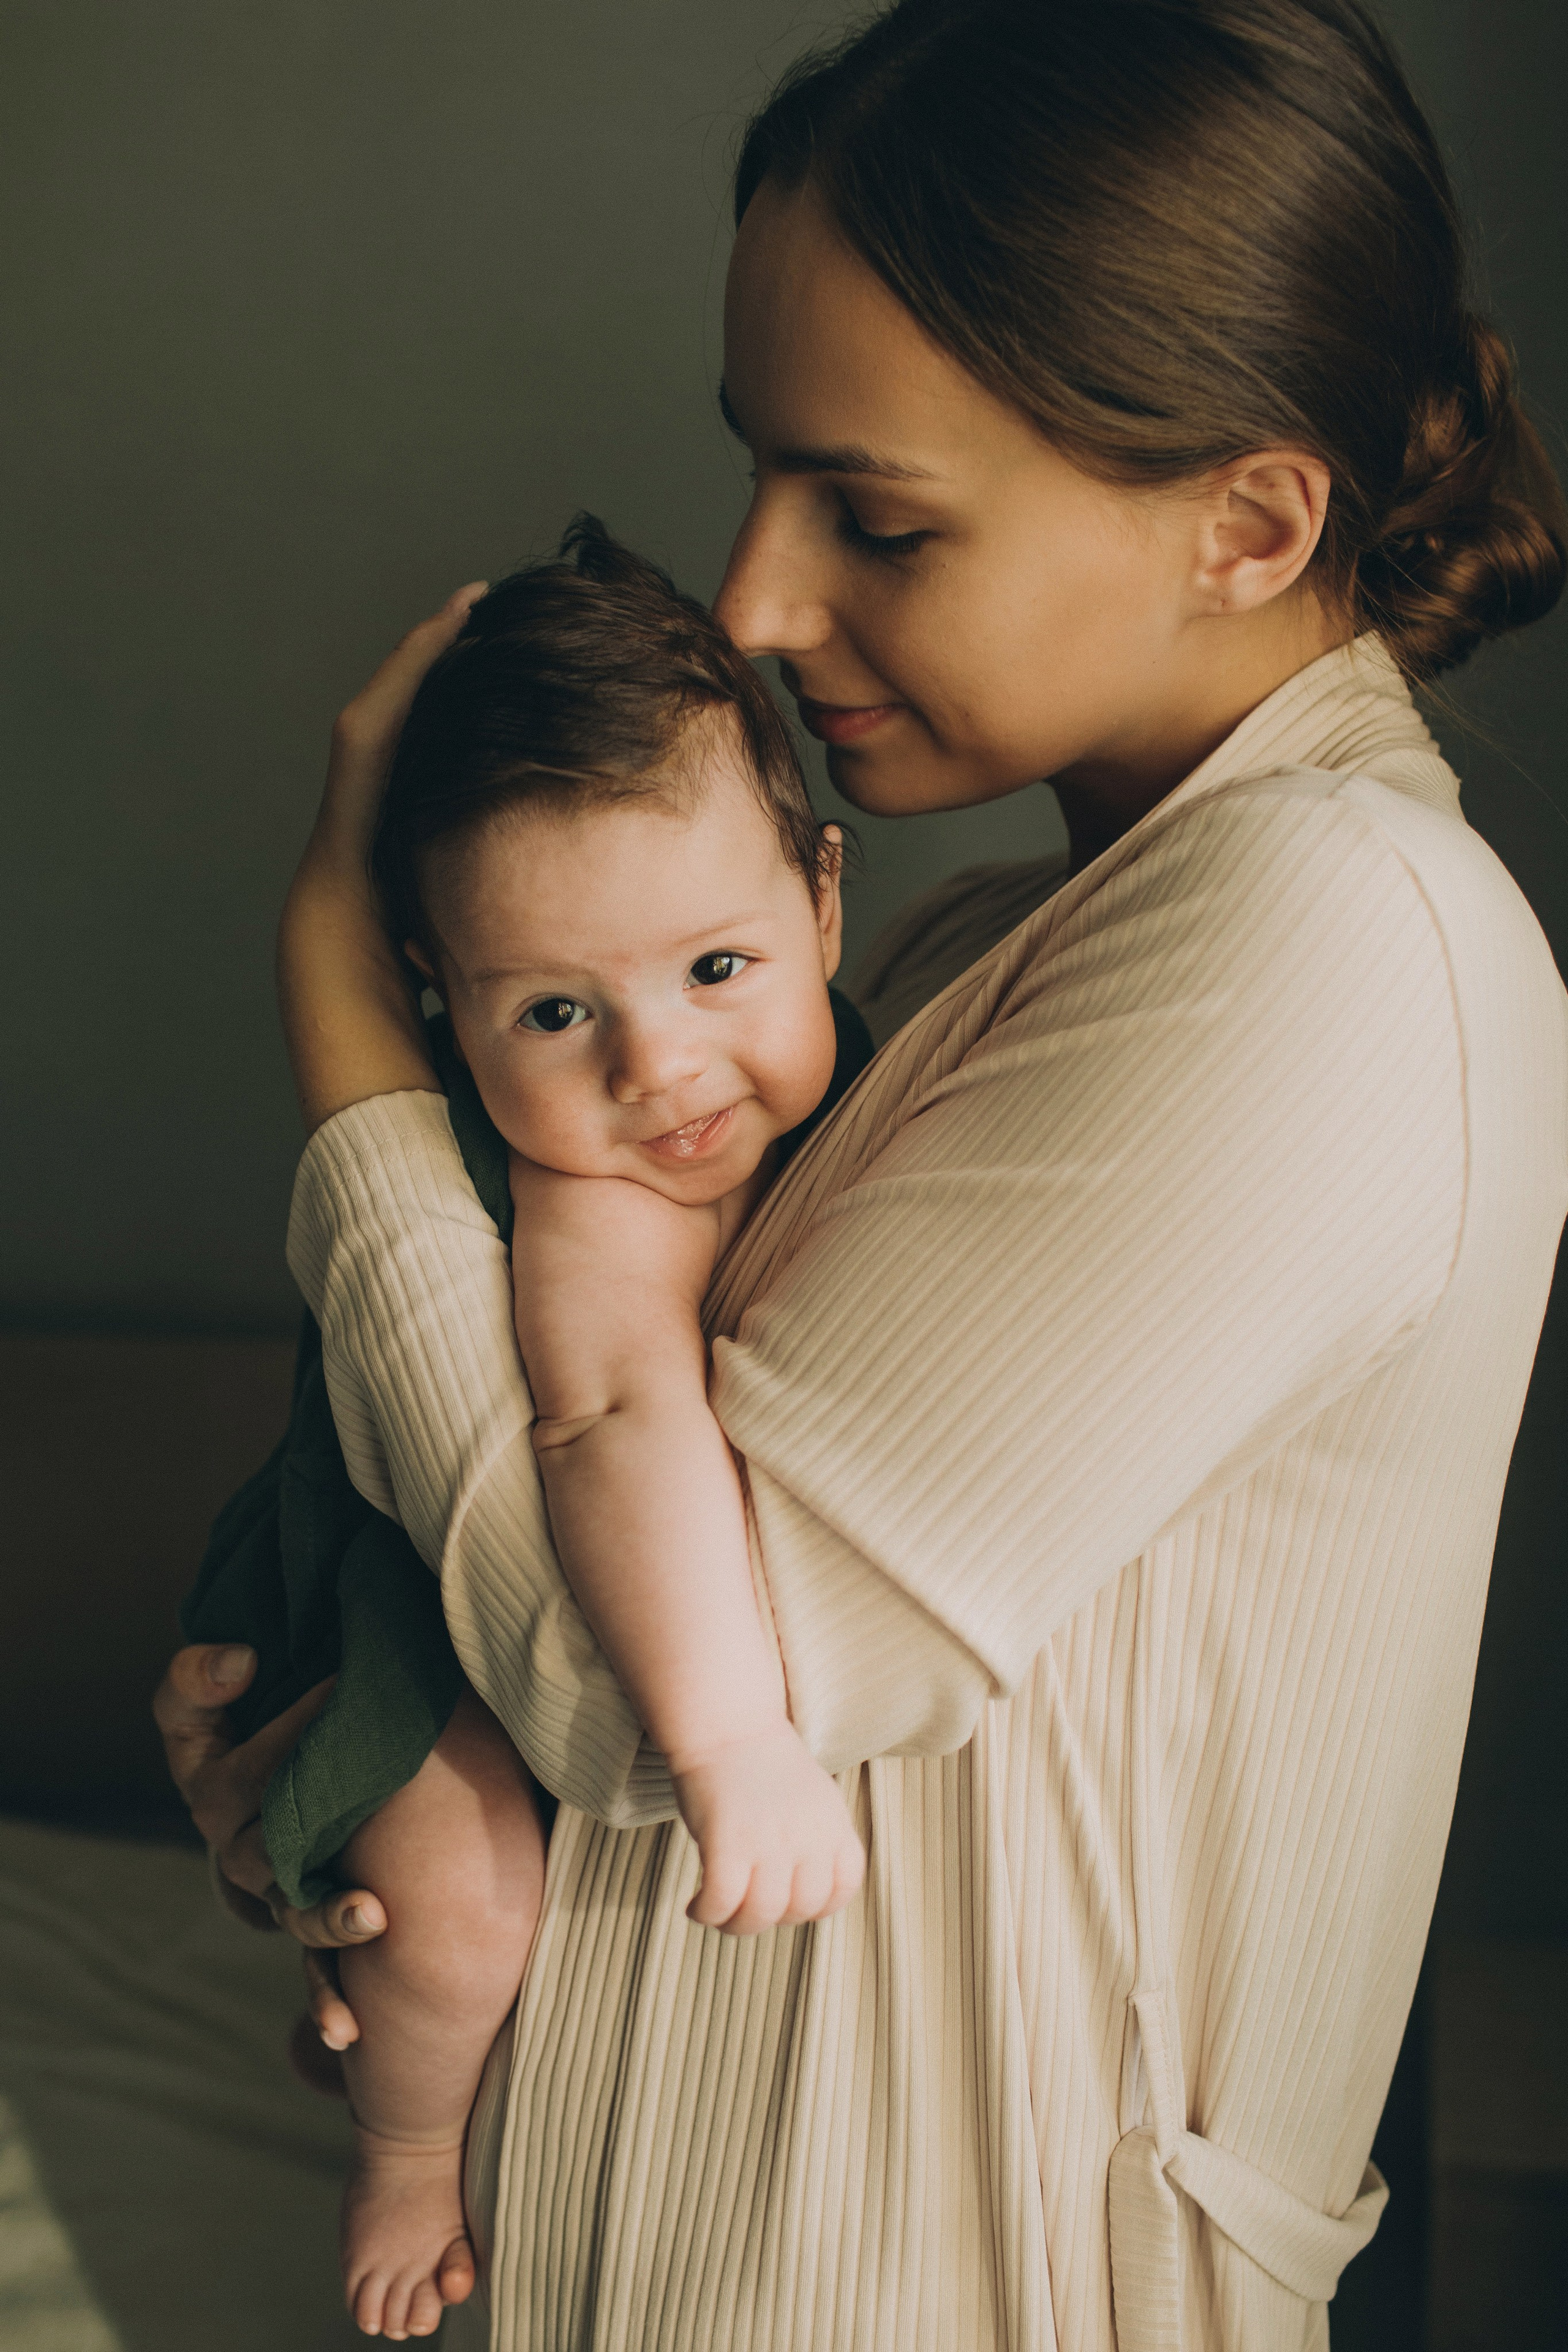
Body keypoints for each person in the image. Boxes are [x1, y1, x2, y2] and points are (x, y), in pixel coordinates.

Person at [156, 3, 1568, 2345]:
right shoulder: (959, 950)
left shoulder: (1328, 939)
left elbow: (652, 1707)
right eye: (761, 481)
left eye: (876, 518)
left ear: (1247, 524)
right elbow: (572, 1619)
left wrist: (348, 1029)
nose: (755, 602)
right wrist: (361, 1782)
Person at [183, 521, 871, 2339]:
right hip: (398, 1587)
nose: (655, 1069)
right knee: (454, 1893)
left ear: (821, 901)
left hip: (607, 1567)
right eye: (556, 1012)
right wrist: (731, 1740)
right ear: (438, 991)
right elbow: (609, 1413)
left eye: (716, 968)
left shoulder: (902, 1069)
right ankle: (406, 2144)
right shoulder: (596, 1193)